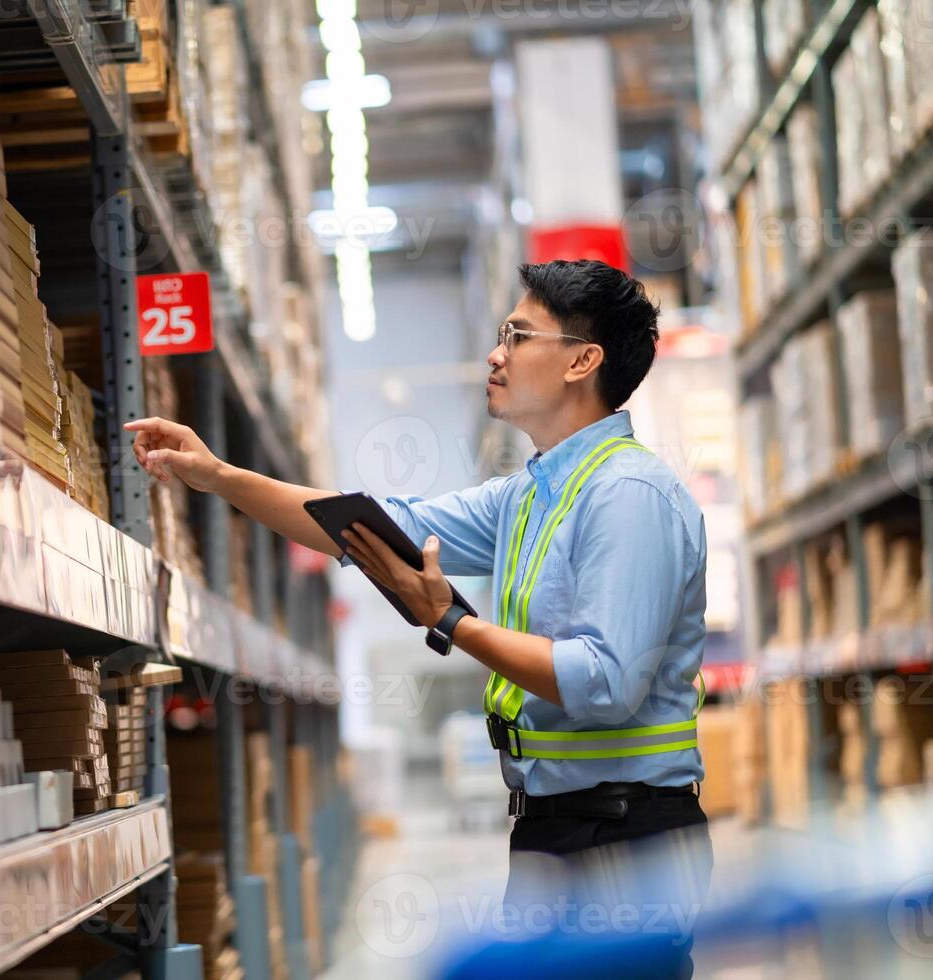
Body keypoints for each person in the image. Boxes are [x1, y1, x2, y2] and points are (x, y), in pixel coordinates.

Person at [125, 259, 712, 975]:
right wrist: (218, 476)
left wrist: (451, 622)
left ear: (582, 362)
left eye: (519, 335)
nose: (496, 354)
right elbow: (377, 528)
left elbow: (604, 682)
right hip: (560, 825)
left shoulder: (628, 494)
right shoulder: (529, 497)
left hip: (627, 835)